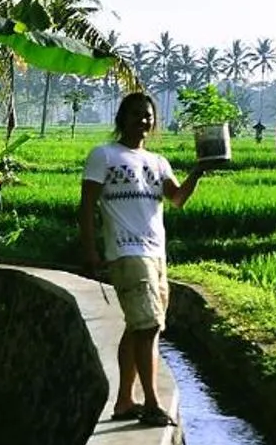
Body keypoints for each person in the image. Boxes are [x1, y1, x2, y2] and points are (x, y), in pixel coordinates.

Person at [79, 91, 202, 424]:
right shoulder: (104, 155)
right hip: (126, 251)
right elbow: (87, 207)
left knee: (140, 327)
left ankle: (124, 402)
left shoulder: (158, 162)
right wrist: (91, 252)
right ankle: (151, 403)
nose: (143, 120)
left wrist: (199, 170)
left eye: (147, 115)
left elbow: (177, 199)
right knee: (148, 326)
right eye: (135, 114)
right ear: (122, 118)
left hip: (156, 253)